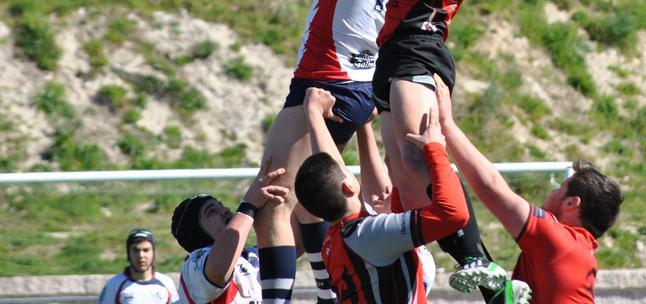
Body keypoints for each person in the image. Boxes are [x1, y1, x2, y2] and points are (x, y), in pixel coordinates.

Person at [251, 0, 410, 304]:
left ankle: (300, 297)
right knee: (309, 199)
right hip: (357, 86)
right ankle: (325, 288)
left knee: (272, 200)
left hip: (325, 81)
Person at [355, 0, 503, 292]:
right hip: (392, 51)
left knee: (421, 156)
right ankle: (486, 277)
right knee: (408, 180)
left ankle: (482, 265)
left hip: (419, 48)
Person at [433, 74, 624, 303]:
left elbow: (490, 187)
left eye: (560, 188)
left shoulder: (559, 241)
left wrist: (447, 124)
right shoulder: (580, 250)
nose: (553, 190)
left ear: (571, 203)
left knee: (452, 199)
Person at [294, 86, 469, 304]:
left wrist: (357, 124)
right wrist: (435, 149)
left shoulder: (335, 241)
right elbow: (452, 214)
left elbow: (328, 174)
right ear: (348, 187)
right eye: (347, 170)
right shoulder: (367, 236)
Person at [170, 167, 288, 304]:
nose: (225, 210)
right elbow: (218, 270)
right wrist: (249, 205)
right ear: (197, 231)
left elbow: (293, 244)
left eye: (221, 205)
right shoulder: (193, 264)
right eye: (211, 211)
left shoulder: (250, 256)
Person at [98, 228, 180, 304]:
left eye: (146, 250)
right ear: (128, 253)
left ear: (153, 252)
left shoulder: (166, 283)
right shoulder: (114, 284)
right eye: (135, 250)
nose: (141, 255)